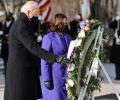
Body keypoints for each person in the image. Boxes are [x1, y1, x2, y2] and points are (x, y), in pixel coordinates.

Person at [4, 1, 68, 100]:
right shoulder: (21, 27)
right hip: (20, 72)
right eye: (36, 14)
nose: (37, 17)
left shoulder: (24, 24)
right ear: (29, 12)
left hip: (27, 69)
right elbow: (33, 47)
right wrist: (55, 58)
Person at [40, 13, 71, 100]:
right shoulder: (48, 38)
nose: (65, 25)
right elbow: (44, 59)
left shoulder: (68, 37)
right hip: (54, 76)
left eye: (66, 23)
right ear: (57, 23)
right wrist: (46, 78)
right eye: (63, 23)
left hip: (66, 75)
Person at [1, 12, 14, 76]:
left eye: (8, 16)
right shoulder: (4, 24)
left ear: (11, 17)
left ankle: (9, 70)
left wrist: (9, 36)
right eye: (6, 16)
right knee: (4, 58)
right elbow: (2, 33)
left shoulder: (13, 24)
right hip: (4, 44)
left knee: (10, 58)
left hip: (10, 44)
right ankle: (5, 69)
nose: (7, 17)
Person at [109, 16, 120, 80]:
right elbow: (110, 25)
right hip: (117, 43)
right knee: (117, 61)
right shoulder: (117, 21)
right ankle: (118, 76)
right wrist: (116, 20)